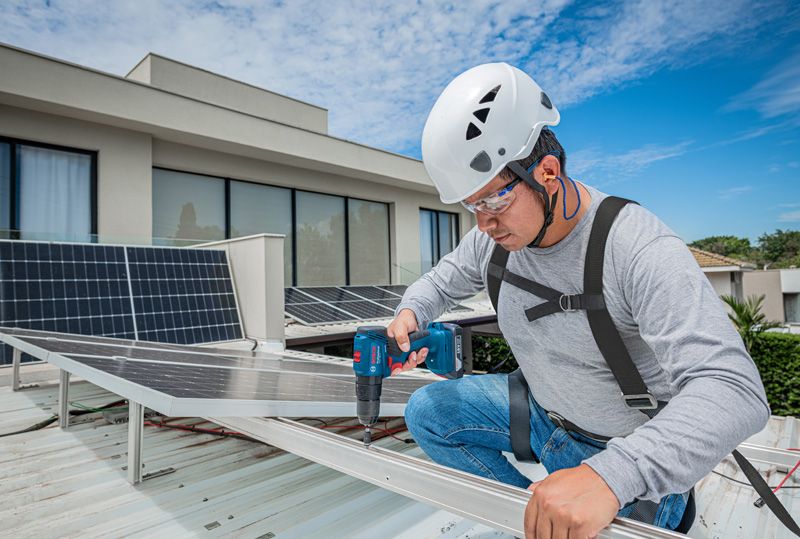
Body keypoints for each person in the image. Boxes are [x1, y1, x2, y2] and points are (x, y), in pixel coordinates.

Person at [387, 63, 771, 539]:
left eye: (494, 201)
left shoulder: (636, 247)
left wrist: (612, 476)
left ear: (547, 172)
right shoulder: (494, 239)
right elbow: (441, 281)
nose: (483, 223)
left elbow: (735, 389)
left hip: (623, 447)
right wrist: (412, 310)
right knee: (429, 412)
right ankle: (534, 520)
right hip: (544, 418)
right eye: (472, 206)